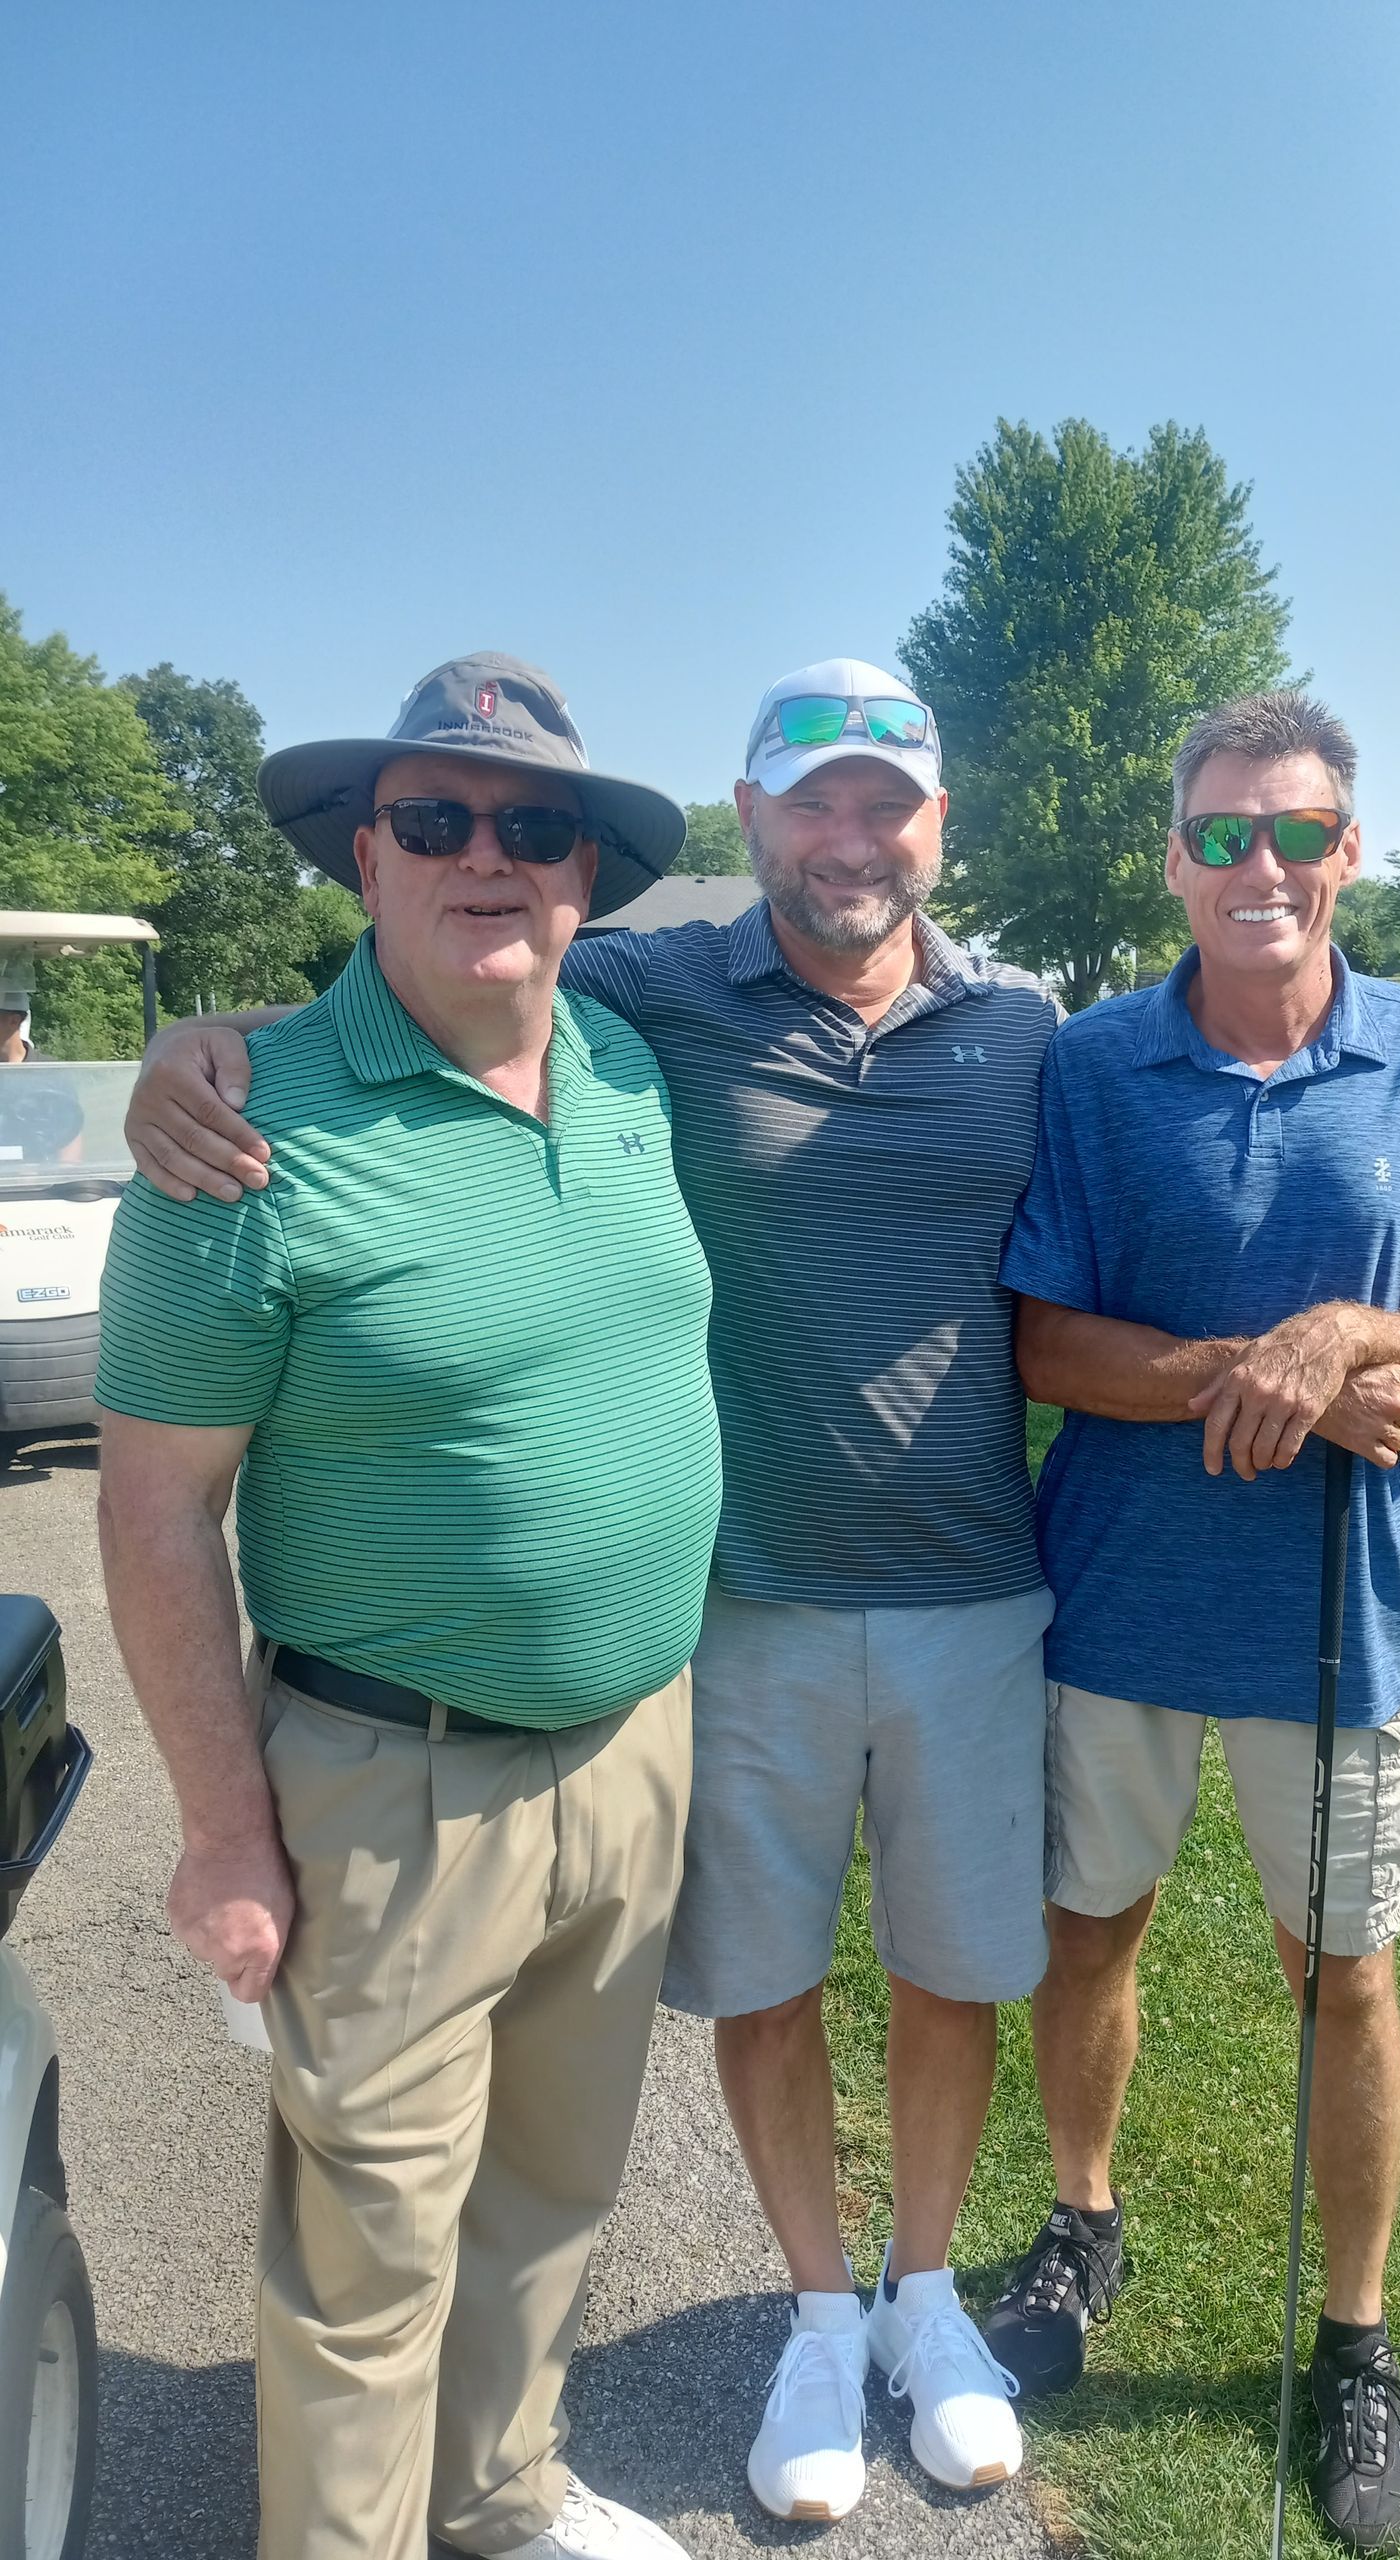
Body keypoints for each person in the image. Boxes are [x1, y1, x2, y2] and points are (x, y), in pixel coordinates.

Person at [127, 657, 1400, 2532]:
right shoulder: (658, 991)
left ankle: (923, 2300)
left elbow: (1126, 1240)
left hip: (976, 1590)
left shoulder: (1029, 1031)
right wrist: (208, 1040)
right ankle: (821, 2320)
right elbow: (448, 975)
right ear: (750, 818)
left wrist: (1349, 1345)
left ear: (936, 826)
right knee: (767, 1983)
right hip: (741, 1605)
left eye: (886, 802)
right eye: (812, 800)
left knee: (951, 1973)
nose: (849, 837)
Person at [97, 655, 722, 2560]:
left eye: (533, 825)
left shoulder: (627, 1065)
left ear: (587, 876)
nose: (486, 856)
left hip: (633, 1750)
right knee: (368, 2262)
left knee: (551, 2195)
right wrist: (225, 1832)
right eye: (435, 819)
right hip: (394, 1790)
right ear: (364, 856)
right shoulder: (242, 1132)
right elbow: (155, 1508)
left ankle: (502, 2494)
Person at [988, 690, 1400, 2555]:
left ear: (1348, 851)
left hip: (1338, 1626)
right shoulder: (1093, 1066)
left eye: (1297, 831)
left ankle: (1357, 2341)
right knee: (1090, 1936)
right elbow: (1045, 1344)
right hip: (1117, 1608)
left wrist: (1358, 1333)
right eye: (1223, 833)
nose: (1262, 865)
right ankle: (1082, 2224)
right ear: (1174, 859)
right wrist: (1287, 1379)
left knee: (1347, 1977)